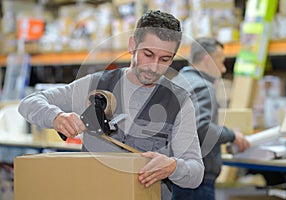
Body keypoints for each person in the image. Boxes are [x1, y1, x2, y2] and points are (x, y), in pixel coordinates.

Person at [18, 10, 204, 200]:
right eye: (148, 54)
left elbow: (196, 172)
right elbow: (29, 103)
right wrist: (56, 117)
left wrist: (173, 167)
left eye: (165, 60)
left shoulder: (179, 101)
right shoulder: (96, 84)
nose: (154, 67)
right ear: (132, 45)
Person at [172, 37, 250, 199]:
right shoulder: (203, 87)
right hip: (198, 179)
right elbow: (201, 128)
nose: (222, 69)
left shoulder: (177, 81)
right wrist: (232, 135)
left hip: (177, 172)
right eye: (221, 62)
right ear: (208, 60)